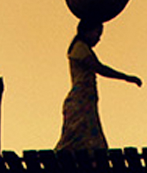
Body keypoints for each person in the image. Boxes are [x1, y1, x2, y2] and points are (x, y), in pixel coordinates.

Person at [56, 18, 141, 152]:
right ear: (87, 31)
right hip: (80, 101)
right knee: (75, 142)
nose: (98, 39)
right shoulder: (79, 48)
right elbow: (99, 68)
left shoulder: (83, 48)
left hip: (86, 101)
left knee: (91, 142)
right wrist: (125, 77)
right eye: (97, 34)